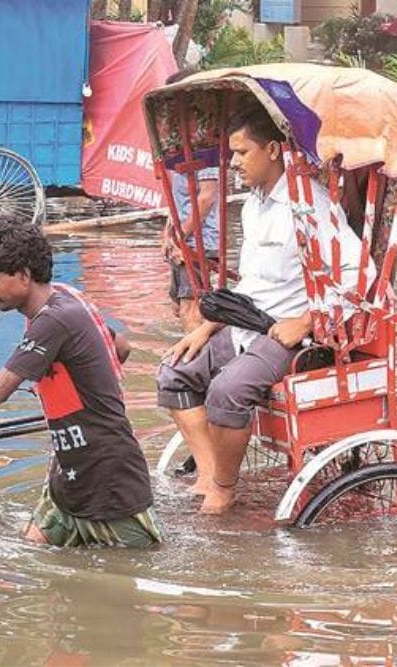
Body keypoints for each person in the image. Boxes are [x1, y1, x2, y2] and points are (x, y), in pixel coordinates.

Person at [156, 105, 374, 514]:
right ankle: (210, 476)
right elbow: (253, 284)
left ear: (273, 150)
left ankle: (223, 486)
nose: (234, 163)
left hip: (290, 334)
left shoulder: (309, 205)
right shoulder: (253, 205)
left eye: (242, 153)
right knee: (174, 373)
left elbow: (362, 274)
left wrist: (306, 321)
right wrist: (206, 328)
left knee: (227, 391)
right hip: (245, 326)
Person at [0, 217, 161, 548]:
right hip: (70, 476)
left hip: (109, 481)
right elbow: (120, 347)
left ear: (23, 274)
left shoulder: (53, 320)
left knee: (131, 577)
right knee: (28, 560)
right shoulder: (67, 298)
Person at [163, 69, 221, 333]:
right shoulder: (179, 146)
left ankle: (192, 370)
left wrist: (179, 235)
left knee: (191, 310)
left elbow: (207, 196)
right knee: (179, 308)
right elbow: (176, 199)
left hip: (200, 243)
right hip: (182, 239)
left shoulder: (205, 145)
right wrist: (168, 234)